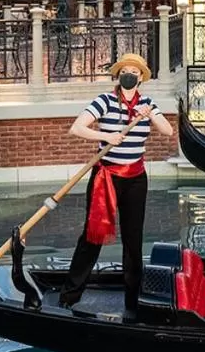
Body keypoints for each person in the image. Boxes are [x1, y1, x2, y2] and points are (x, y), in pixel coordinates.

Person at [60, 53, 174, 318]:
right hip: (106, 177)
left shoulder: (147, 103)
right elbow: (77, 128)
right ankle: (69, 295)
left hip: (136, 179)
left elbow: (167, 131)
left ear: (141, 77)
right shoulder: (105, 100)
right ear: (119, 74)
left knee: (133, 240)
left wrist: (150, 115)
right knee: (91, 237)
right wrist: (106, 135)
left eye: (135, 71)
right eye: (126, 69)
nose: (130, 73)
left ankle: (132, 302)